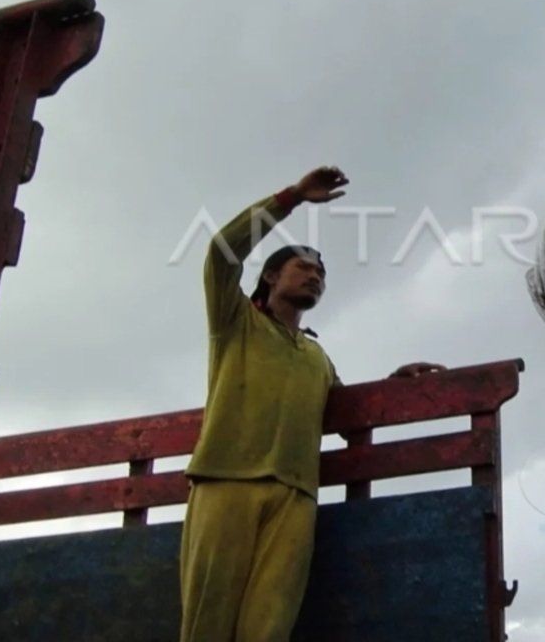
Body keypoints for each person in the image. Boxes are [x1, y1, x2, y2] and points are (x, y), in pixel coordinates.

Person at [178, 166, 444, 641]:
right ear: (273, 275)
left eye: (322, 273)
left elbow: (345, 413)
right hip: (227, 480)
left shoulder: (317, 357)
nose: (316, 276)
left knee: (269, 629)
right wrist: (293, 197)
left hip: (296, 497)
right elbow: (221, 252)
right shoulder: (235, 322)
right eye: (305, 266)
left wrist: (392, 387)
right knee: (207, 624)